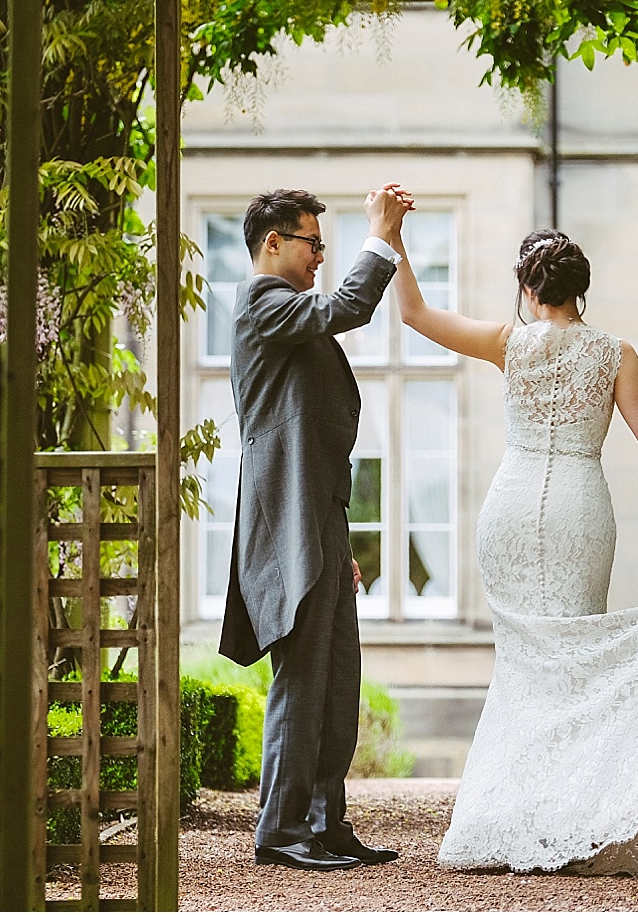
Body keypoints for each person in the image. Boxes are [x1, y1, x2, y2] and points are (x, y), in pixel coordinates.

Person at [386, 226, 638, 875]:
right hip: (578, 507)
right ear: (580, 291)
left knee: (525, 666)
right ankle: (568, 822)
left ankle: (522, 819)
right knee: (575, 662)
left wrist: (392, 237)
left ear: (528, 289)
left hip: (509, 511)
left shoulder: (507, 343)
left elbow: (414, 312)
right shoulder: (615, 353)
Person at [219, 185, 414, 871]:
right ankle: (280, 830)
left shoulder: (286, 313)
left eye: (325, 246)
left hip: (317, 519)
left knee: (337, 678)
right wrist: (380, 236)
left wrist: (337, 534)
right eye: (313, 244)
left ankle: (327, 824)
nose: (320, 260)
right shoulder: (260, 302)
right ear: (273, 243)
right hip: (285, 527)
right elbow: (347, 308)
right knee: (302, 680)